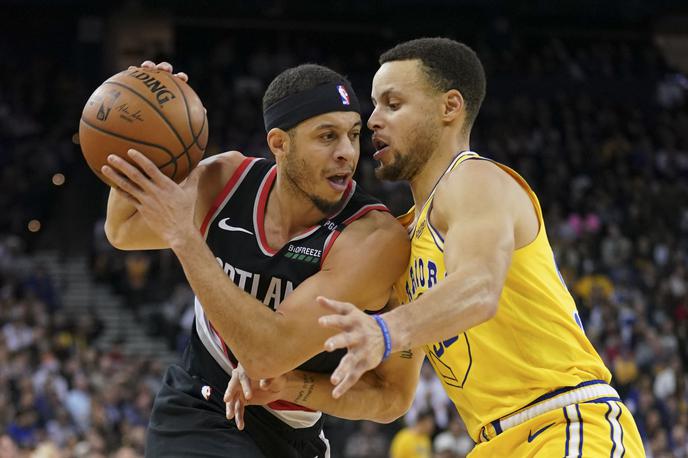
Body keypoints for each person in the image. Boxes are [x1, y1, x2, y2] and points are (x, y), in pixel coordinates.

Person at [313, 37, 645, 456]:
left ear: (450, 107)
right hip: (494, 442)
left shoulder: (473, 180)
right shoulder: (406, 240)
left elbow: (480, 288)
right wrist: (285, 389)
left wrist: (384, 330)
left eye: (392, 104)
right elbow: (390, 398)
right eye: (375, 105)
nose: (373, 119)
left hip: (565, 423)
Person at [102, 61, 422, 457]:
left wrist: (292, 386)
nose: (347, 153)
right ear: (279, 143)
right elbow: (124, 228)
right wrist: (144, 135)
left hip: (296, 432)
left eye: (354, 135)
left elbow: (269, 358)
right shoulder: (227, 181)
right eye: (327, 136)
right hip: (201, 405)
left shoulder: (372, 239)